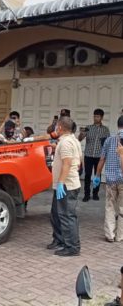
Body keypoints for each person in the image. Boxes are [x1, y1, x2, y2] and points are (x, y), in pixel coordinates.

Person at [47, 116, 82, 257]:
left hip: (67, 186)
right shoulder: (71, 140)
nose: (55, 128)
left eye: (56, 126)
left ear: (60, 128)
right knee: (56, 214)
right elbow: (78, 161)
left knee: (67, 216)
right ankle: (59, 240)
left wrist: (61, 182)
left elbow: (67, 164)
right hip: (62, 185)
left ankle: (72, 246)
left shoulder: (67, 143)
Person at [93, 115, 123, 242]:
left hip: (110, 180)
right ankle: (121, 236)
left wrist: (97, 175)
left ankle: (110, 234)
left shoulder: (109, 140)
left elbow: (102, 159)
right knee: (122, 208)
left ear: (117, 125)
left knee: (110, 206)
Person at [78, 108, 110, 202]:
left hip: (99, 156)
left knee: (97, 175)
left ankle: (95, 193)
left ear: (102, 117)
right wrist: (82, 134)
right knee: (87, 175)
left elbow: (106, 143)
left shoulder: (105, 130)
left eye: (98, 116)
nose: (96, 118)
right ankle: (86, 195)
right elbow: (79, 139)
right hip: (88, 155)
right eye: (95, 116)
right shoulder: (88, 127)